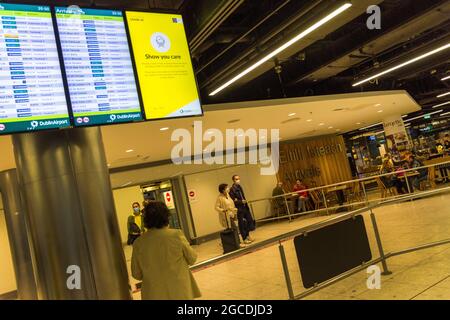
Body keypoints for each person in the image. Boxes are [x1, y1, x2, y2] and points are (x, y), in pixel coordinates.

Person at [131, 201, 201, 300]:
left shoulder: (138, 243)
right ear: (166, 217)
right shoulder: (176, 235)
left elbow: (136, 274)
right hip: (179, 290)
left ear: (146, 220)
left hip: (153, 294)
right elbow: (192, 258)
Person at [229, 175, 255, 244]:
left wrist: (243, 201)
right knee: (242, 224)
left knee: (249, 221)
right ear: (233, 180)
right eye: (236, 179)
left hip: (245, 207)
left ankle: (247, 235)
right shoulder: (232, 189)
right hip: (239, 209)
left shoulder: (239, 187)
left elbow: (242, 197)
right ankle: (244, 238)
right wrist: (240, 201)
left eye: (239, 178)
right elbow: (233, 200)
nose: (238, 180)